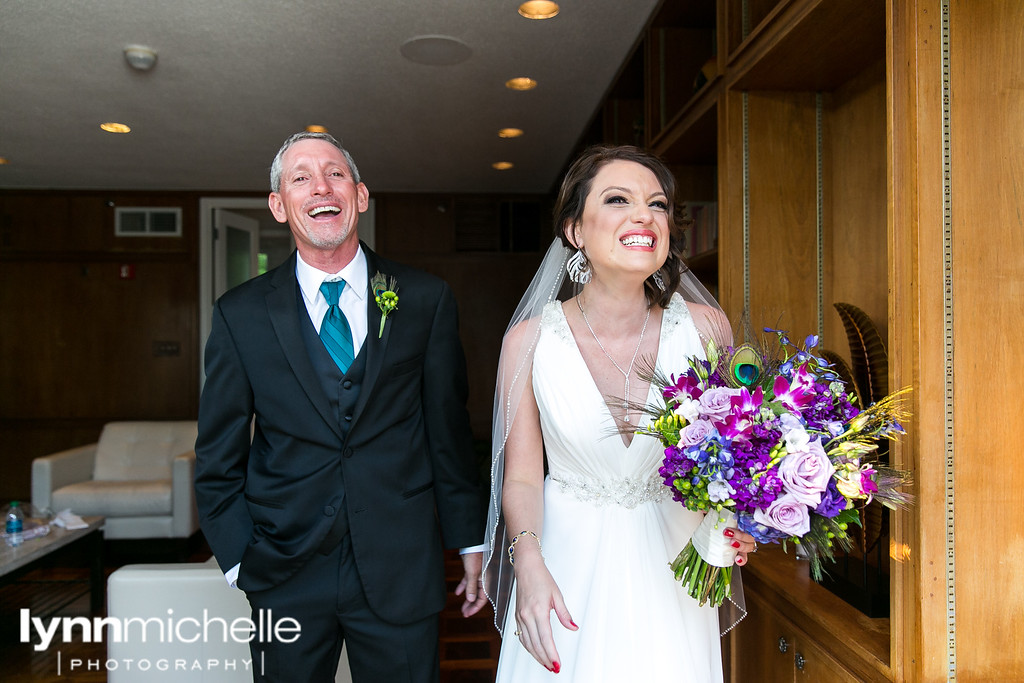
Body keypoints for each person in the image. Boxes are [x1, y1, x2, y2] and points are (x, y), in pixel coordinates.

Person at [194, 131, 488, 683]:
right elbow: (217, 457)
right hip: (285, 567)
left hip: (402, 563)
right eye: (300, 177)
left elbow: (448, 433)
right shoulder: (241, 315)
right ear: (280, 206)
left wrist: (469, 540)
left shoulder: (424, 299)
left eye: (335, 174)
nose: (320, 187)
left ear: (360, 196)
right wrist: (239, 560)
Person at [482, 145, 756, 681]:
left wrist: (740, 516)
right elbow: (520, 476)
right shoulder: (529, 342)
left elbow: (734, 455)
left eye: (656, 205)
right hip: (564, 565)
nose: (644, 216)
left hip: (676, 565)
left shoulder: (706, 329)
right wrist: (528, 563)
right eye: (617, 200)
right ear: (575, 231)